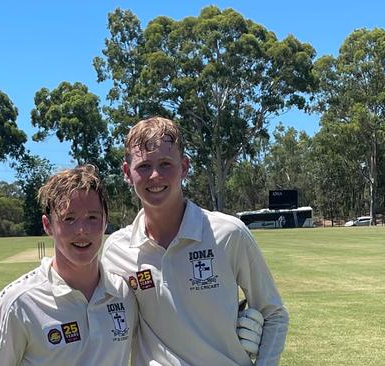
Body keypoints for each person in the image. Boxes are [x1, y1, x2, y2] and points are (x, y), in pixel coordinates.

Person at [102, 117, 289, 366]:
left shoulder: (228, 233)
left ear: (185, 167)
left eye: (166, 164)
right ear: (127, 173)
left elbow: (274, 313)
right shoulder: (116, 250)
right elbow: (108, 327)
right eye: (144, 166)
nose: (155, 175)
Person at [0, 165, 137, 366]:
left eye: (93, 217)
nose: (82, 230)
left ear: (105, 221)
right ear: (48, 225)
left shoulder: (124, 293)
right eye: (69, 219)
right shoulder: (18, 302)